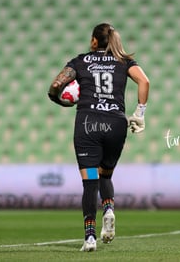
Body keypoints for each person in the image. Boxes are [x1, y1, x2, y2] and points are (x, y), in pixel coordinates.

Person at [48, 23, 150, 251]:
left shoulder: (80, 61)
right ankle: (110, 210)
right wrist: (139, 114)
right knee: (106, 175)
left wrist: (60, 100)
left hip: (87, 123)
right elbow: (145, 81)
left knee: (89, 182)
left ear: (94, 40)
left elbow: (55, 85)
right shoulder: (124, 61)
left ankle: (90, 237)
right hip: (115, 123)